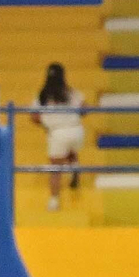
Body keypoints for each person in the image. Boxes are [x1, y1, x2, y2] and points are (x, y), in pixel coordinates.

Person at [30, 62, 84, 212]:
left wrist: (47, 123)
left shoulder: (42, 95)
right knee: (72, 153)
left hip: (57, 132)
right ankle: (74, 167)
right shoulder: (72, 92)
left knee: (56, 169)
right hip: (76, 130)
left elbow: (34, 117)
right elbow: (85, 108)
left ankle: (54, 202)